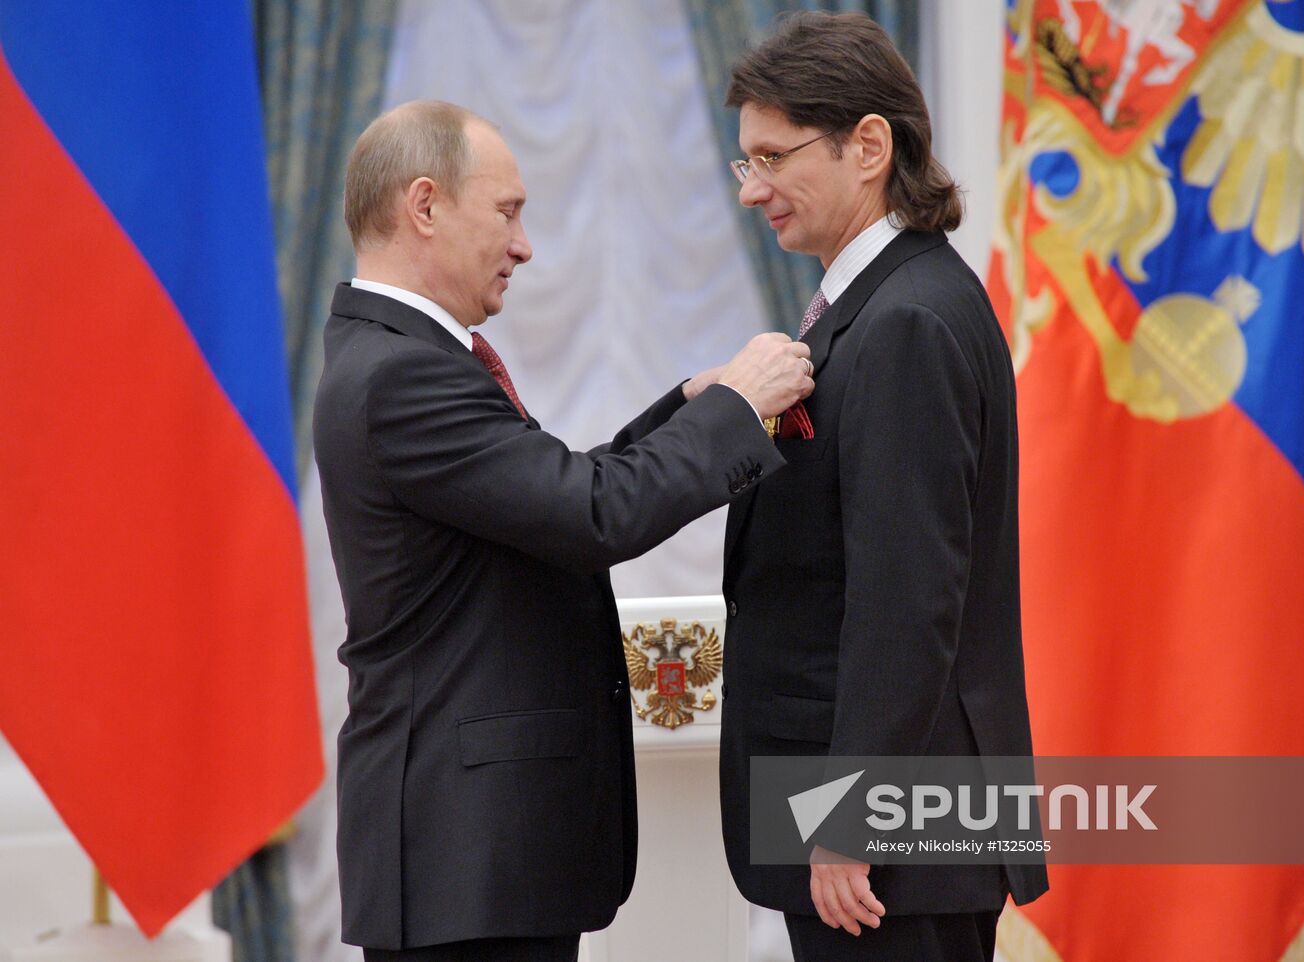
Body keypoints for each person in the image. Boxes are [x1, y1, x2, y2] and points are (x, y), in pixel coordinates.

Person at [313, 100, 813, 962]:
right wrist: (737, 411)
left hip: (473, 860)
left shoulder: (401, 357)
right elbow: (590, 514)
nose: (524, 245)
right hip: (462, 860)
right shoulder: (402, 374)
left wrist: (683, 411)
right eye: (507, 212)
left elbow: (542, 495)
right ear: (424, 207)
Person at [716, 13, 1049, 961]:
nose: (754, 190)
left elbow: (908, 597)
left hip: (889, 841)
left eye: (774, 158)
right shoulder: (881, 304)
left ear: (869, 146)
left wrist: (850, 815)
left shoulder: (904, 320)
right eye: (746, 164)